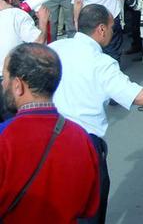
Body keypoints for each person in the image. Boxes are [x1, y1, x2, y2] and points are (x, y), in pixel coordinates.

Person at [50, 4, 143, 224]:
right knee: (89, 210)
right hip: (84, 145)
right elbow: (134, 94)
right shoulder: (101, 63)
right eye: (111, 26)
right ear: (101, 29)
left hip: (50, 140)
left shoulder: (54, 47)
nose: (113, 31)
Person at [0, 43, 100, 223]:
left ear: (18, 85)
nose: (3, 84)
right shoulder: (82, 137)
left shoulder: (4, 136)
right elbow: (89, 206)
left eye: (5, 77)